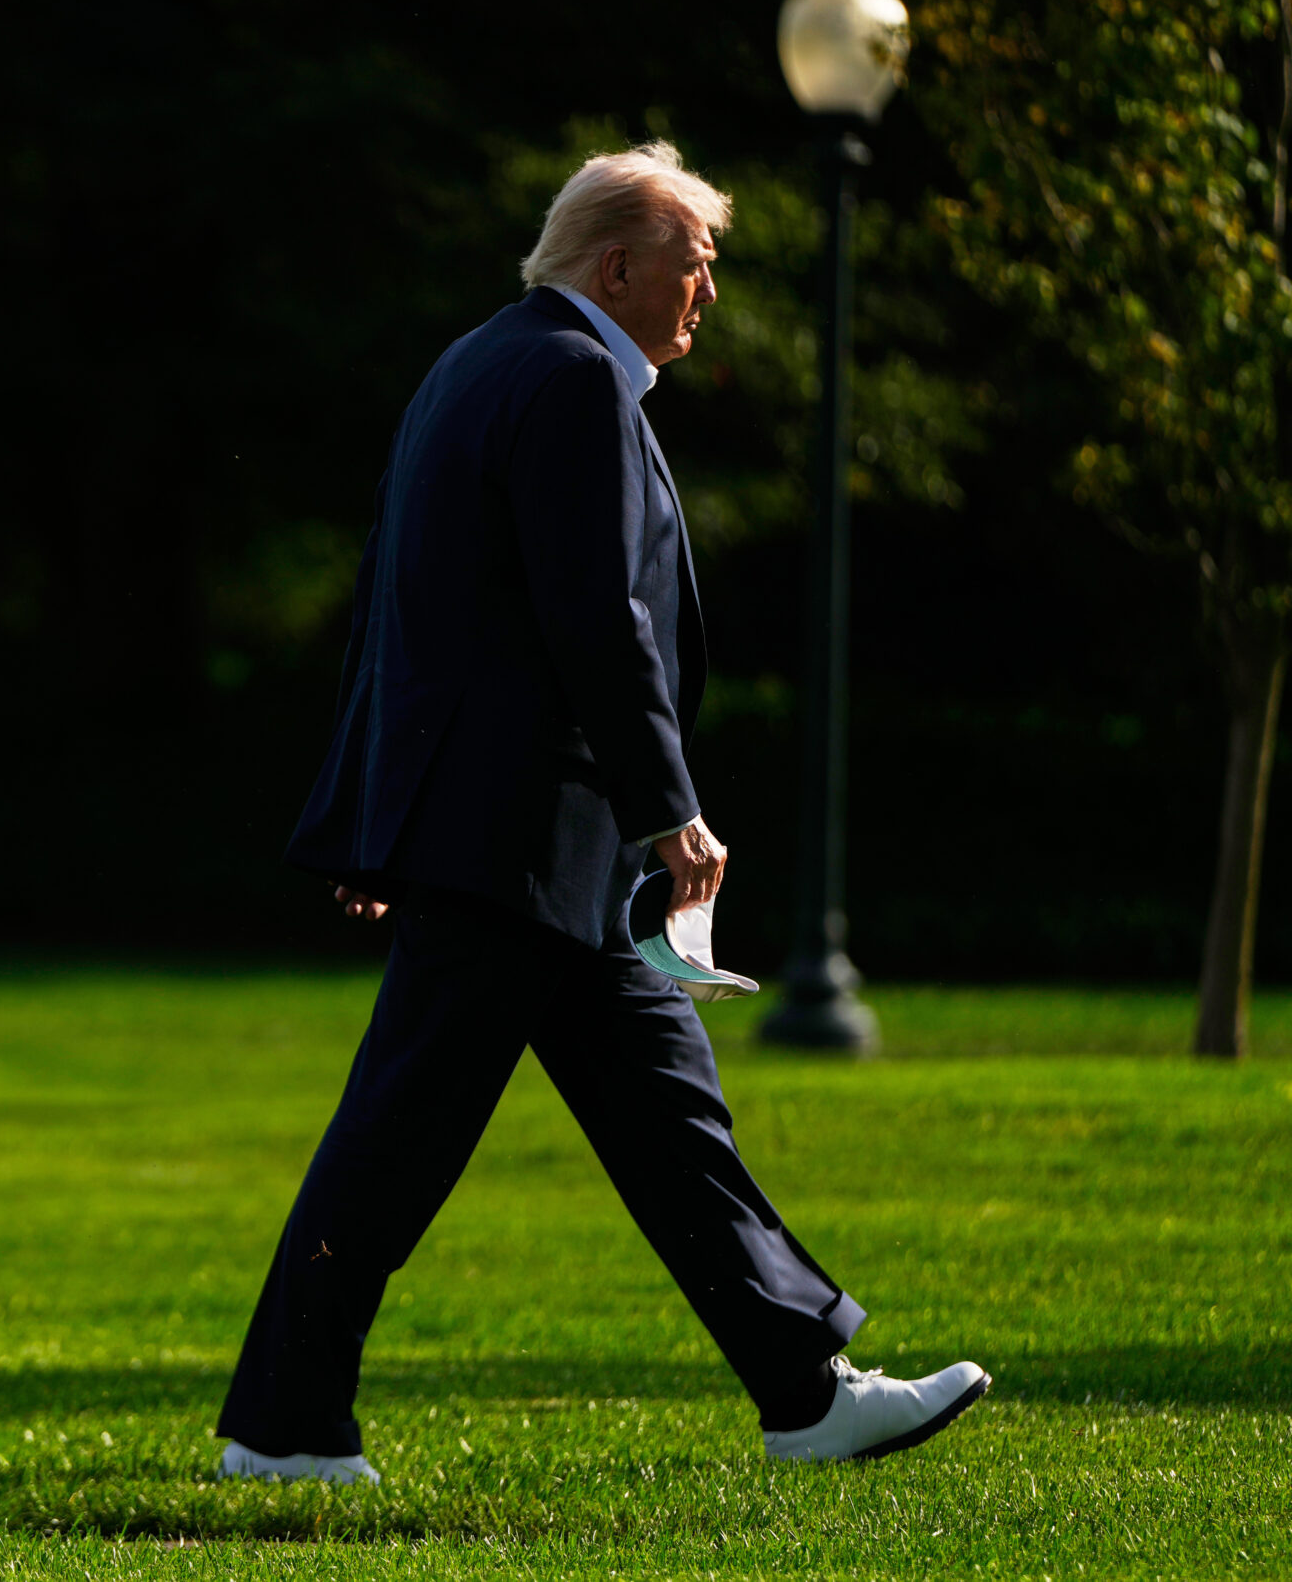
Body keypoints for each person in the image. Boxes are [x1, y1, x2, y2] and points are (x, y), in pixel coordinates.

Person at [213, 143, 989, 1482]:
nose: (706, 296)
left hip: (526, 851)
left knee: (670, 1123)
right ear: (617, 267)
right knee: (398, 1141)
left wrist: (371, 814)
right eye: (695, 267)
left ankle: (807, 1390)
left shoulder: (477, 362)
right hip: (525, 846)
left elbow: (398, 613)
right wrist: (668, 809)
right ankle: (281, 1431)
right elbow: (598, 622)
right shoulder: (571, 380)